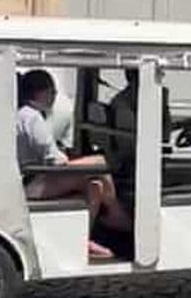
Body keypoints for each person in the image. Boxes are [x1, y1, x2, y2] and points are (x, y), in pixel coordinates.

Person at [16, 69, 129, 259]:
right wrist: (72, 161)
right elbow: (54, 159)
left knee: (95, 186)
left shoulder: (24, 114)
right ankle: (114, 213)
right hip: (30, 182)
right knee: (99, 162)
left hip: (34, 178)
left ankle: (84, 239)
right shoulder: (32, 117)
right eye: (53, 92)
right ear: (41, 92)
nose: (54, 96)